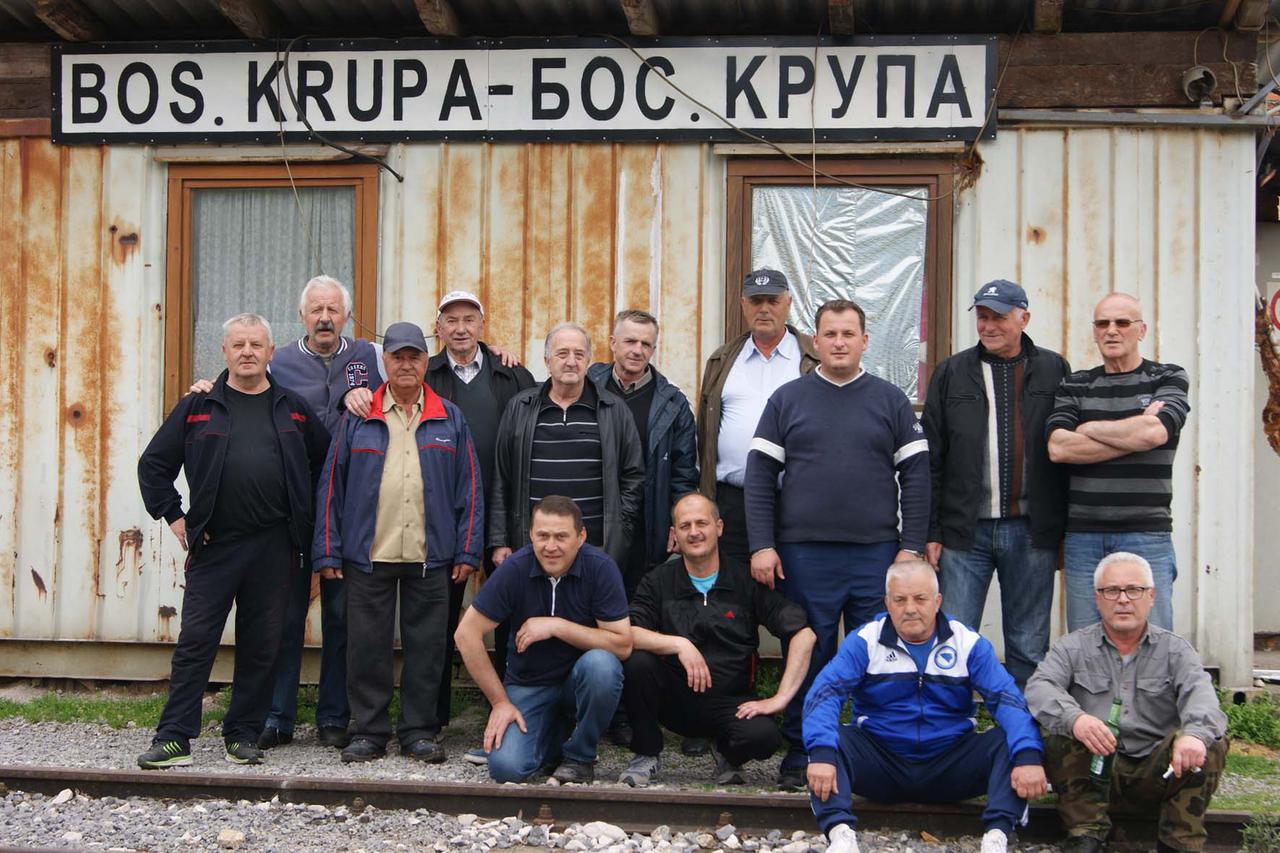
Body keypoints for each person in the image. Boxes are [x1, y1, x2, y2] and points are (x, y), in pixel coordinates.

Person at [190, 275, 382, 751]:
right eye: (316, 310)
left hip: (350, 507)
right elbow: (240, 385)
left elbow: (415, 375)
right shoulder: (280, 361)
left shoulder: (370, 358)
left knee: (340, 615)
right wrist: (204, 386)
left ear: (347, 315)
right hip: (292, 508)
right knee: (284, 616)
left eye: (333, 310)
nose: (324, 318)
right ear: (301, 316)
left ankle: (334, 715)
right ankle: (277, 716)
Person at [744, 298, 929, 789]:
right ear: (816, 341)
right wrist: (762, 544)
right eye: (830, 334)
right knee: (812, 652)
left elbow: (917, 476)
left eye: (849, 334)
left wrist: (911, 546)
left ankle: (879, 749)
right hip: (804, 555)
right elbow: (759, 476)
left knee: (881, 653)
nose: (840, 343)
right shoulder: (788, 399)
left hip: (877, 553)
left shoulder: (891, 401)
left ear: (865, 341)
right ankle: (804, 749)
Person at [136, 314, 330, 769]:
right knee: (196, 641)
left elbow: (324, 465)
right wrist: (175, 517)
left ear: (270, 353)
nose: (247, 352)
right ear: (224, 351)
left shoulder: (293, 409)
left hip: (277, 547)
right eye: (238, 344)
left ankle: (242, 734)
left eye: (256, 345)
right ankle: (174, 737)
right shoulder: (198, 406)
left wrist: (308, 520)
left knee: (262, 645)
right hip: (216, 545)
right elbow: (154, 465)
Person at [313, 321, 482, 763]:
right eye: (397, 357)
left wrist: (468, 549)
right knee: (366, 647)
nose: (406, 364)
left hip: (432, 555)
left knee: (427, 649)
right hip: (368, 554)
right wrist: (328, 549)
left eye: (414, 357)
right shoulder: (358, 415)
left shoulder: (449, 417)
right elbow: (331, 486)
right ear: (384, 362)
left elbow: (469, 488)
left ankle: (419, 732)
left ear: (426, 362)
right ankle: (369, 731)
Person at [804, 561, 1047, 853]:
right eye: (900, 600)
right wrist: (822, 752)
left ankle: (997, 837)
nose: (910, 609)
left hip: (950, 764)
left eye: (920, 598)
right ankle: (841, 835)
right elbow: (825, 694)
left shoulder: (967, 643)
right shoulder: (865, 640)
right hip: (882, 763)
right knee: (830, 743)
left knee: (1009, 742)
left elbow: (1007, 700)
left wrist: (1028, 756)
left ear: (937, 601)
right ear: (887, 603)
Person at [1025, 552, 1228, 853]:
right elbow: (1039, 688)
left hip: (1159, 771)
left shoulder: (1177, 651)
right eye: (1111, 591)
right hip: (1095, 771)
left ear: (1151, 596)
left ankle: (1179, 840)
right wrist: (1076, 719)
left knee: (1210, 740)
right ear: (1097, 598)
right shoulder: (1071, 648)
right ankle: (1085, 833)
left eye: (1133, 590)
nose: (1123, 599)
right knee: (1058, 729)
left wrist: (1194, 736)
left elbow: (1204, 699)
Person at [921, 280, 1071, 686]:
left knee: (1028, 644)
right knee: (953, 638)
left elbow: (1066, 454)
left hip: (1031, 531)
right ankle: (952, 720)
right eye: (983, 317)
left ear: (1024, 318)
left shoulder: (1054, 370)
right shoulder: (951, 372)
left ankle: (1023, 722)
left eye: (999, 317)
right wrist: (932, 531)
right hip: (963, 533)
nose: (988, 326)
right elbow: (932, 458)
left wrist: (1063, 530)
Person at [617, 493, 816, 787]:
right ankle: (646, 754)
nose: (694, 532)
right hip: (673, 701)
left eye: (702, 523)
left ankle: (728, 755)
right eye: (685, 526)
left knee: (764, 737)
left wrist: (780, 698)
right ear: (674, 534)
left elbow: (804, 634)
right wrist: (679, 644)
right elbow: (626, 632)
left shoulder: (745, 580)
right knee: (637, 661)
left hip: (732, 703)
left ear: (719, 527)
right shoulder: (658, 580)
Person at [455, 496, 632, 784]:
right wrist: (499, 702)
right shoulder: (516, 568)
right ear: (531, 535)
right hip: (529, 685)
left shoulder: (600, 567)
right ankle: (556, 737)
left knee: (602, 665)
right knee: (507, 768)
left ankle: (580, 757)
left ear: (581, 536)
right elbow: (466, 634)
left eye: (561, 536)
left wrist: (557, 626)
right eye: (543, 536)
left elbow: (622, 645)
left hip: (579, 682)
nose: (551, 546)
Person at [424, 290, 536, 732]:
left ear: (482, 326)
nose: (460, 328)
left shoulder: (511, 374)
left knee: (510, 610)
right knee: (439, 614)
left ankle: (511, 710)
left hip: (503, 509)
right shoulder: (426, 373)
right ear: (438, 328)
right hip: (443, 510)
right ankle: (431, 718)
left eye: (469, 319)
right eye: (451, 320)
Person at [1046, 293, 1190, 631]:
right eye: (1103, 323)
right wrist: (1135, 433)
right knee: (1085, 641)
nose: (1111, 330)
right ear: (1094, 331)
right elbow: (1059, 448)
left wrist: (1089, 428)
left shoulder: (1167, 377)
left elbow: (1155, 433)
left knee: (1153, 639)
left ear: (1141, 330)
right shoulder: (1076, 384)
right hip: (1084, 536)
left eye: (1122, 322)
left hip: (1146, 532)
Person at [488, 323, 644, 568]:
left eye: (579, 354)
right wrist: (499, 540)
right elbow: (501, 478)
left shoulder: (614, 409)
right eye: (562, 354)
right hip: (533, 547)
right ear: (547, 362)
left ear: (588, 361)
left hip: (596, 549)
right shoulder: (520, 407)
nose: (571, 362)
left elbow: (633, 476)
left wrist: (620, 530)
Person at [696, 268, 818, 567]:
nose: (764, 309)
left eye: (772, 301)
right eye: (756, 301)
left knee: (796, 586)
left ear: (788, 303)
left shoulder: (814, 359)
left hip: (798, 502)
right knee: (735, 588)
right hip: (732, 503)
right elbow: (705, 430)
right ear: (743, 304)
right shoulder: (722, 359)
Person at [587, 309, 699, 598]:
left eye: (646, 344)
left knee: (639, 606)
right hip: (593, 520)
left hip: (647, 526)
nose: (638, 350)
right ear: (613, 342)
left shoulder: (673, 404)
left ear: (653, 349)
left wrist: (679, 523)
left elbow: (683, 473)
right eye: (630, 341)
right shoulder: (587, 387)